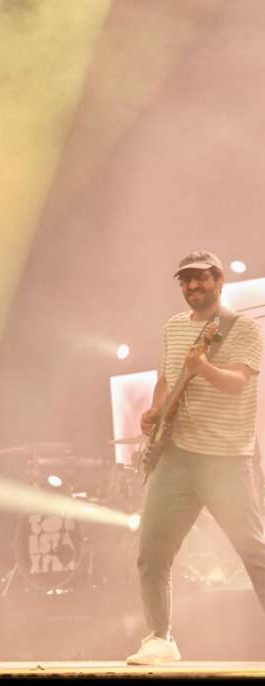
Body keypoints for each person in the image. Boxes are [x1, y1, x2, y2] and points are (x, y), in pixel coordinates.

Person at [127, 251, 264, 665]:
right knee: (152, 552)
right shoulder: (173, 327)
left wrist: (203, 368)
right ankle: (160, 638)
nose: (192, 286)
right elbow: (167, 378)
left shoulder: (242, 328)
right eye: (185, 280)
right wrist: (155, 412)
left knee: (254, 551)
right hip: (176, 456)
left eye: (200, 278)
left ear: (219, 280)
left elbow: (238, 383)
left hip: (225, 459)